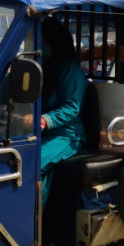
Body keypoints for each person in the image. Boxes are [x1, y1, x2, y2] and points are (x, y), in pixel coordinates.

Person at [27, 18, 88, 206]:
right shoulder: (36, 68)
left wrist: (44, 120)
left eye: (40, 40)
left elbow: (72, 107)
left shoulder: (70, 70)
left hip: (66, 136)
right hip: (34, 133)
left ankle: (34, 224)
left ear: (51, 44)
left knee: (32, 164)